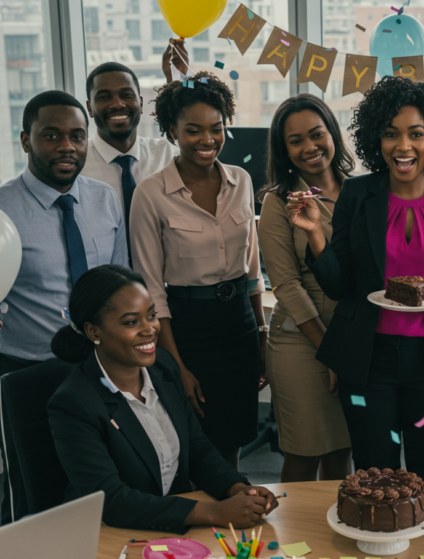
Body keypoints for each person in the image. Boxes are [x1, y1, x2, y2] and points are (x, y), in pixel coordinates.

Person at [0, 90, 127, 524]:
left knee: (101, 487)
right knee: (32, 493)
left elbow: (119, 282)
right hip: (27, 374)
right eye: (52, 135)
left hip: (99, 370)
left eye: (77, 136)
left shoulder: (104, 199)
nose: (67, 147)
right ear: (26, 140)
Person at [286, 76, 424, 482]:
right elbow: (340, 287)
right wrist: (315, 236)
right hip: (368, 360)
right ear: (377, 139)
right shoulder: (357, 196)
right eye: (391, 134)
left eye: (416, 134)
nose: (403, 146)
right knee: (375, 474)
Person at [48, 265, 279, 532]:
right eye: (131, 322)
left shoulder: (164, 369)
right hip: (109, 532)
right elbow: (110, 500)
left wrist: (237, 488)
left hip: (170, 525)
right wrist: (213, 512)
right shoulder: (74, 403)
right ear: (94, 332)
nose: (150, 330)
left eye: (152, 315)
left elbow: (197, 449)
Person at [130, 71, 266, 469]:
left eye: (216, 128)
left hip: (238, 321)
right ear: (172, 130)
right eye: (193, 130)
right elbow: (152, 290)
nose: (207, 140)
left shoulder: (241, 181)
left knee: (236, 430)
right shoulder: (151, 193)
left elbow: (252, 266)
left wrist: (259, 333)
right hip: (188, 328)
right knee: (195, 435)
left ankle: (233, 504)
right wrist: (176, 365)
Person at [256, 94, 355, 482]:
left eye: (317, 134)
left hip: (350, 334)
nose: (309, 147)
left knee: (342, 451)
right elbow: (287, 286)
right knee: (304, 452)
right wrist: (333, 354)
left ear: (332, 133)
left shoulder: (360, 191)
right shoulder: (278, 204)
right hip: (301, 339)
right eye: (295, 141)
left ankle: (333, 538)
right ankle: (292, 540)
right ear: (284, 150)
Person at [81, 61, 178, 231]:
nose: (118, 104)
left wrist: (176, 80)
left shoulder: (167, 155)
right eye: (104, 97)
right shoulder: (77, 165)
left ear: (140, 104)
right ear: (90, 108)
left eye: (126, 95)